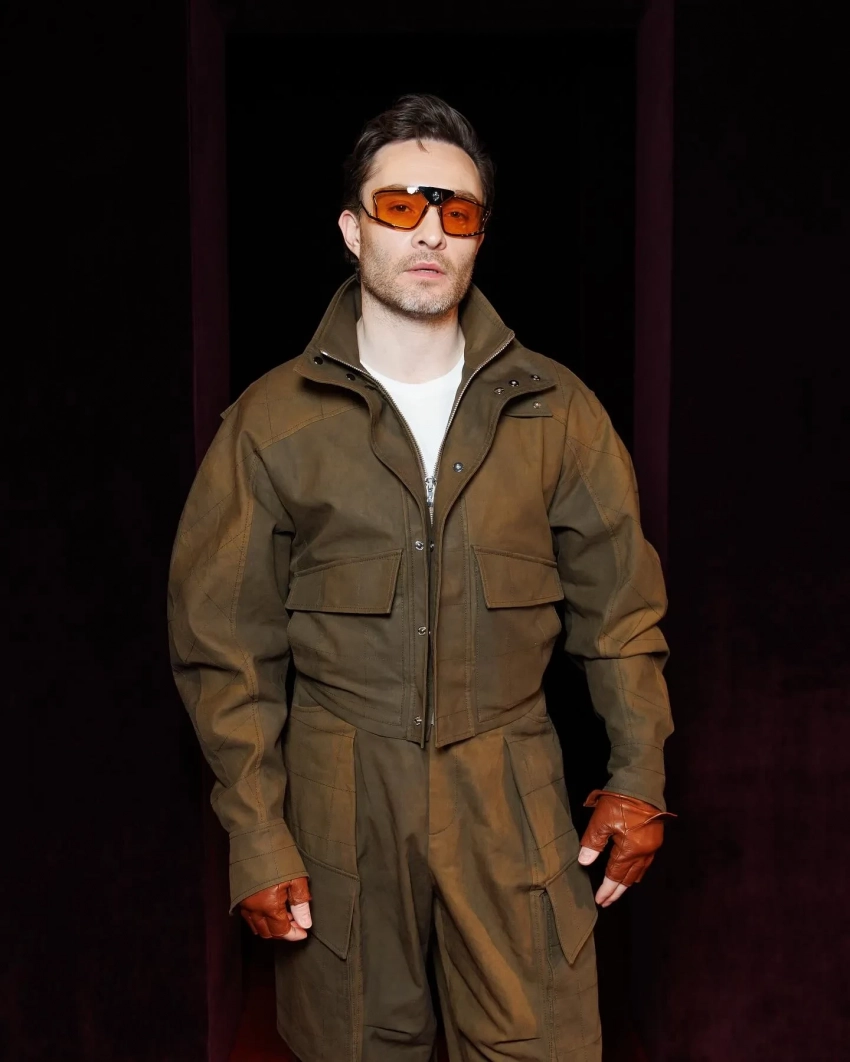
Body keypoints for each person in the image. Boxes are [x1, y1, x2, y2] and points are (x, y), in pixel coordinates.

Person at [168, 93, 675, 1062]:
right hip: (341, 805)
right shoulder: (272, 424)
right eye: (400, 206)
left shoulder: (558, 413)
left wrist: (638, 777)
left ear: (481, 233)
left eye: (457, 210)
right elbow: (223, 650)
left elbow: (620, 616)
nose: (430, 232)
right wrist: (258, 833)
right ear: (352, 229)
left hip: (511, 793)